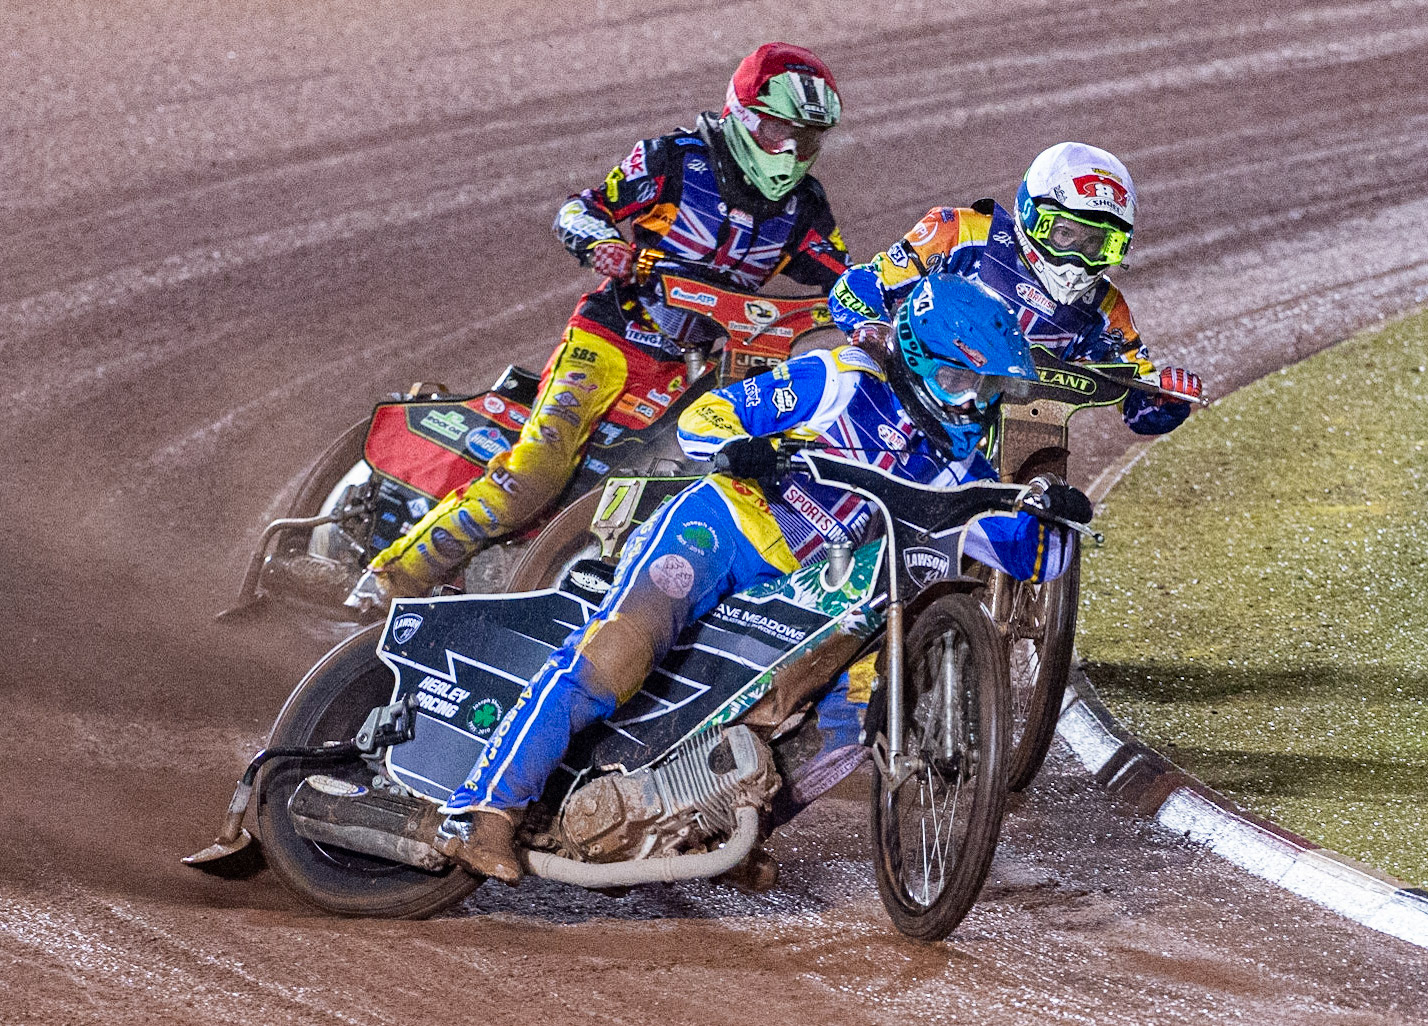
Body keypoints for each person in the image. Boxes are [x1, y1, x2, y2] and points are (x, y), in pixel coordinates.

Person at [431, 274, 1092, 879]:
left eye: (989, 390)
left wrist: (1050, 516)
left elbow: (1030, 557)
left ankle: (712, 829)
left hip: (810, 591)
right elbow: (707, 417)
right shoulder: (836, 379)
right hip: (721, 529)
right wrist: (747, 449)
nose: (972, 403)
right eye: (959, 383)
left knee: (851, 719)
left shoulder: (962, 469)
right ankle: (482, 809)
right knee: (616, 657)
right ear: (918, 361)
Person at [347, 43, 851, 614]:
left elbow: (846, 281)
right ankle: (388, 581)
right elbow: (579, 209)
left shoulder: (805, 206)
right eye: (776, 131)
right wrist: (604, 242)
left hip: (705, 367)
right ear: (741, 115)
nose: (788, 151)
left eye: (804, 140)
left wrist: (895, 294)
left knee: (737, 476)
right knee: (539, 471)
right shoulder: (674, 160)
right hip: (611, 338)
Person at [827, 141, 1202, 435]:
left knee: (1051, 516)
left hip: (1008, 445)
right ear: (1031, 214)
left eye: (1098, 245)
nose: (1078, 258)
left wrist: (1166, 398)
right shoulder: (962, 232)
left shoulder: (1105, 311)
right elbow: (858, 285)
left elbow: (1137, 407)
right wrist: (873, 327)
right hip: (903, 402)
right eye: (1066, 233)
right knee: (840, 380)